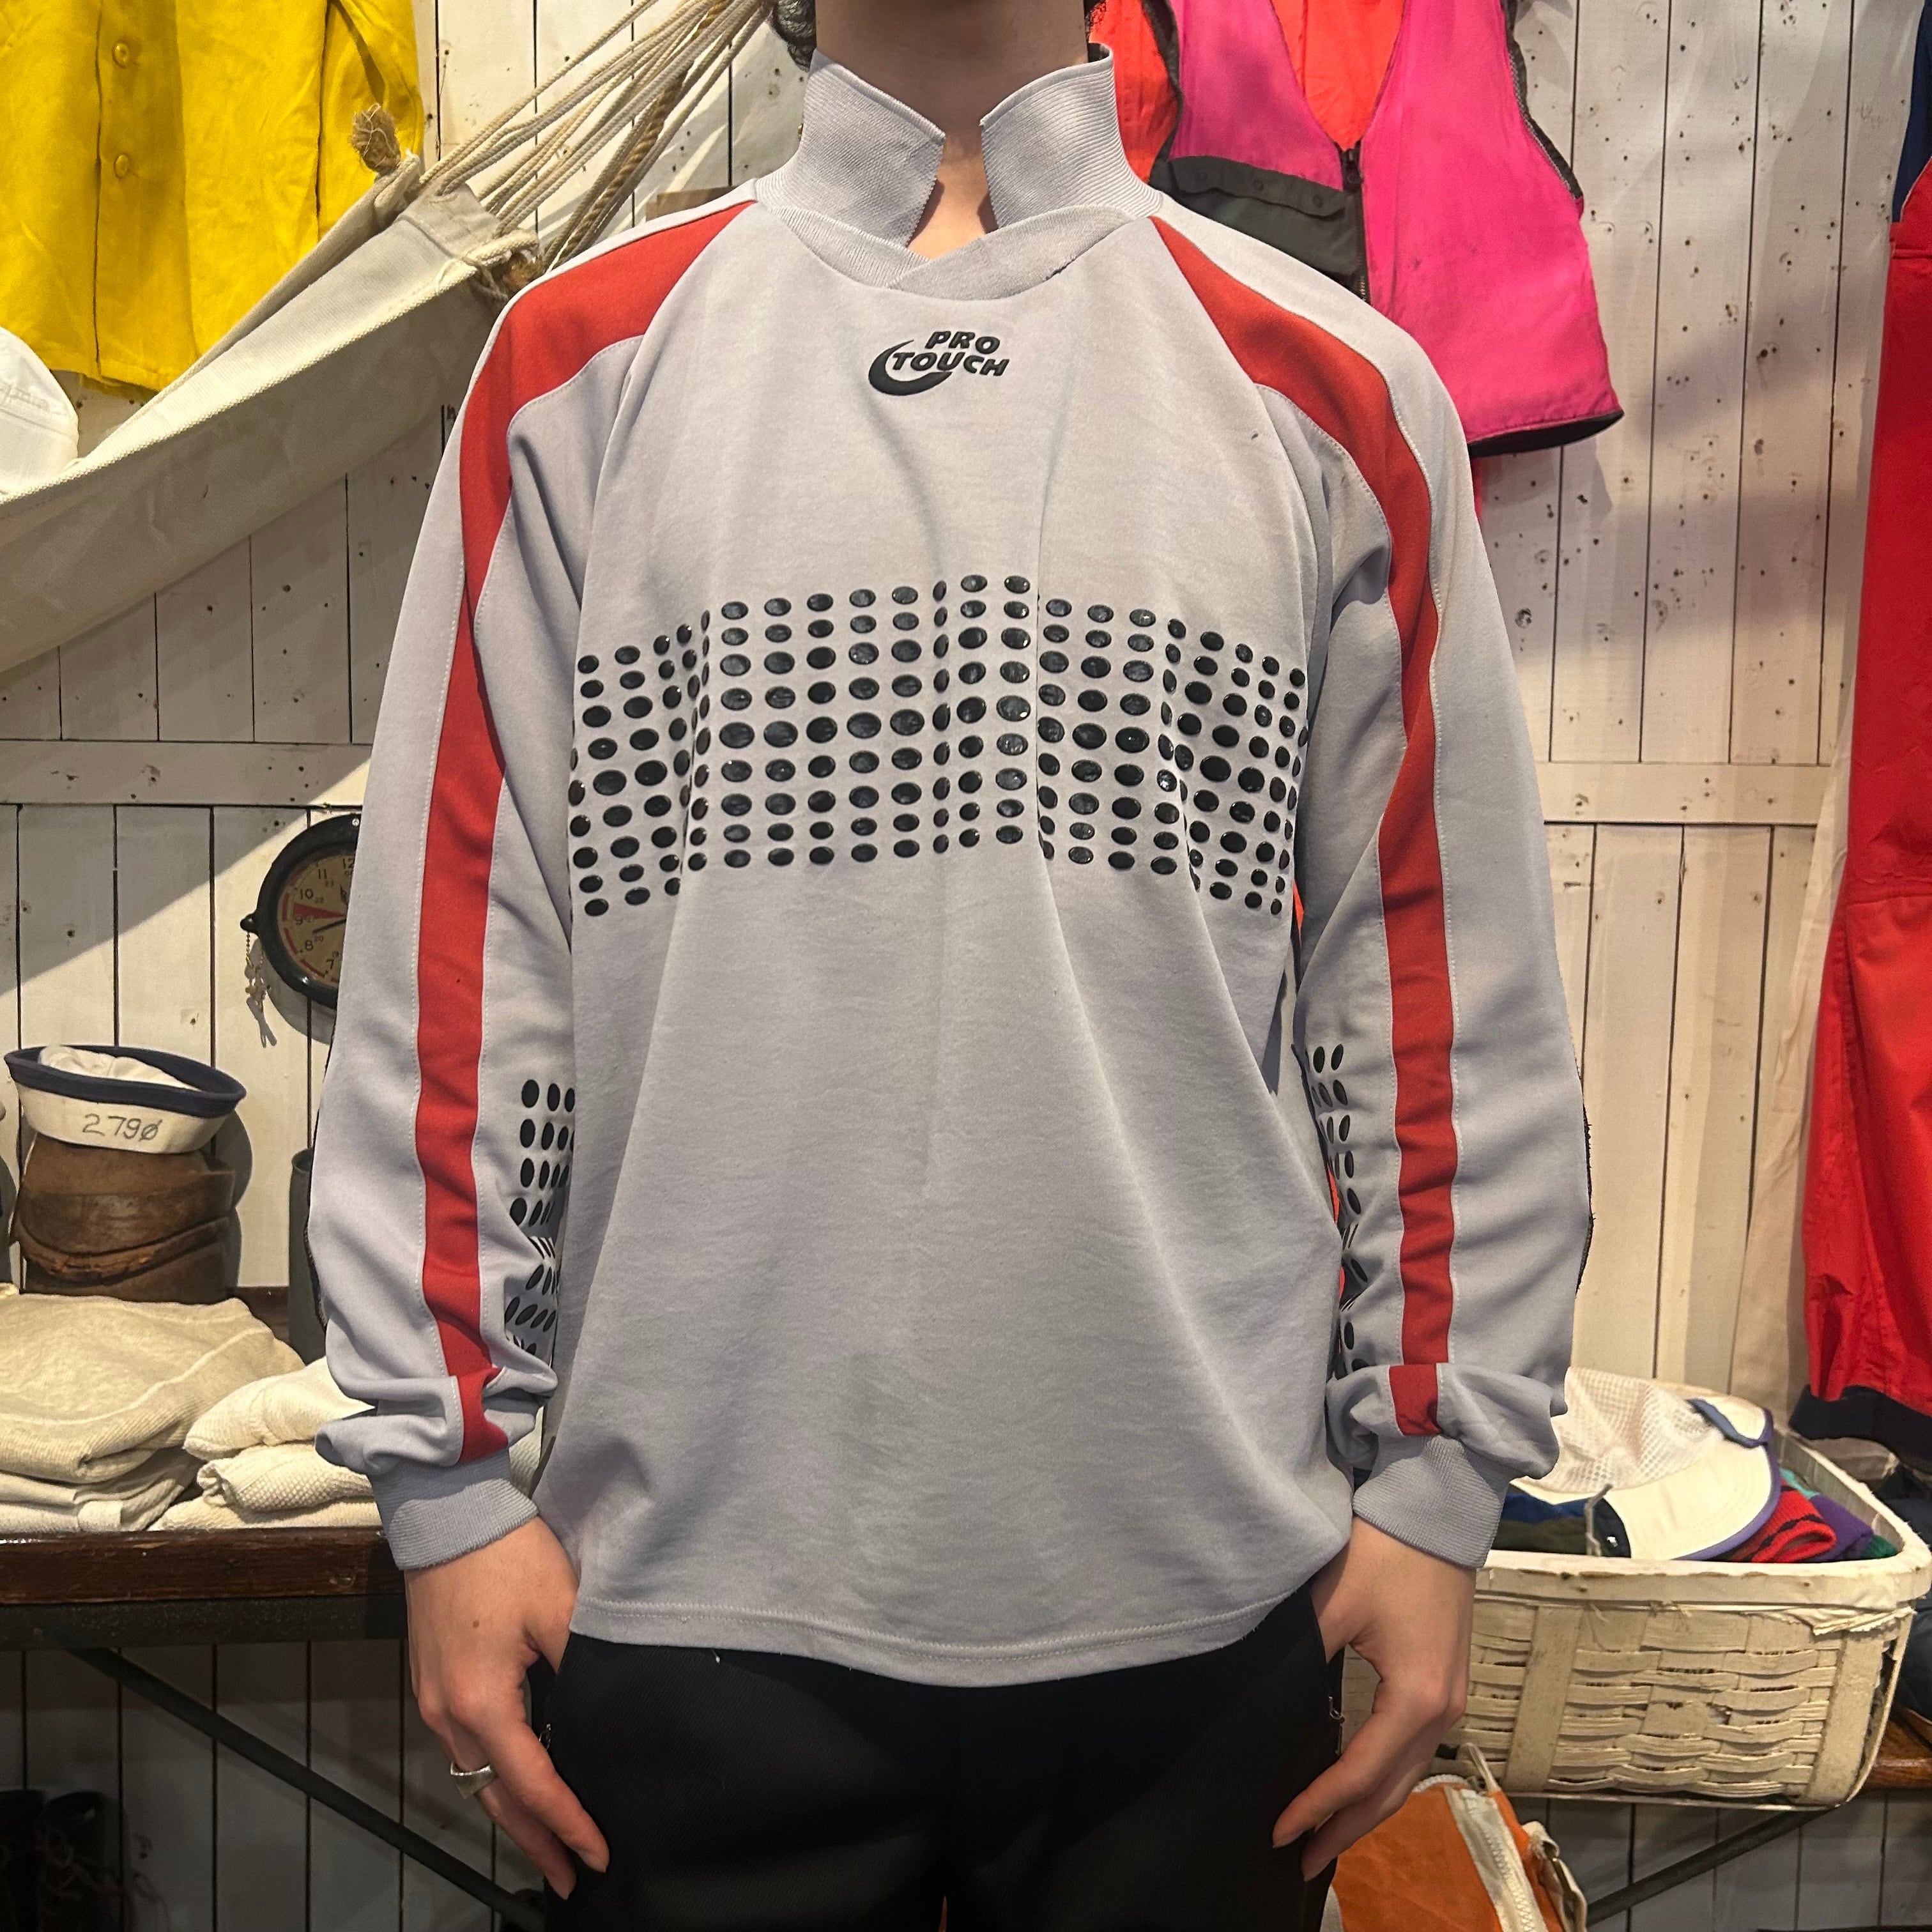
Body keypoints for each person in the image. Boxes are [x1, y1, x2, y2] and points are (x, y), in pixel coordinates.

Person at [309, 0, 1590, 1924]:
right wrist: (443, 1482)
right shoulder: (582, 366)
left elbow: (1430, 978)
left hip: (1204, 1607)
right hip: (682, 1597)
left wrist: (1440, 1478)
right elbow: (469, 956)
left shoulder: (1333, 382)